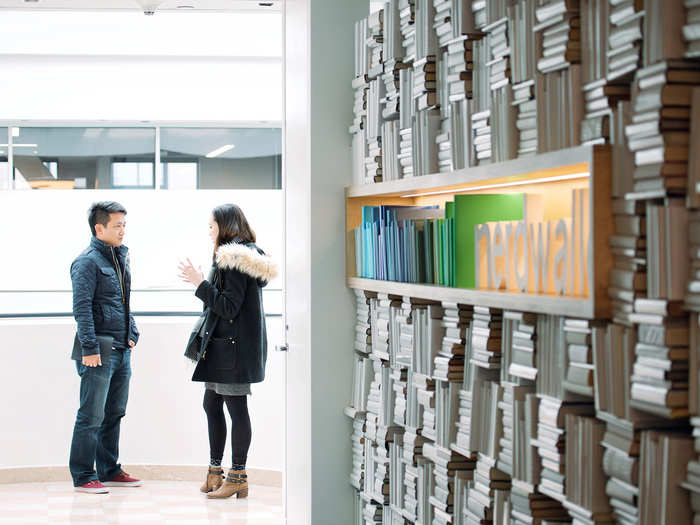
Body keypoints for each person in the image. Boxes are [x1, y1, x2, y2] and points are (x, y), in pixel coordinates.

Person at [178, 203, 277, 500]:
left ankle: (238, 476)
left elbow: (228, 307)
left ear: (226, 225)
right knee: (212, 405)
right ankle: (215, 471)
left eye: (212, 226)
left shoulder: (234, 257)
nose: (209, 232)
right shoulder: (242, 254)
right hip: (226, 347)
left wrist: (200, 283)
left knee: (236, 409)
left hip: (233, 348)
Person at [69, 201, 141, 494]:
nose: (123, 230)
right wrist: (89, 347)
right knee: (91, 415)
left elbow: (123, 302)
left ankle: (109, 469)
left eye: (124, 224)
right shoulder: (86, 262)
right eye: (117, 225)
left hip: (121, 347)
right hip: (97, 347)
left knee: (114, 411)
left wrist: (133, 331)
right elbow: (81, 308)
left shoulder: (119, 258)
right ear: (99, 228)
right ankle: (84, 474)